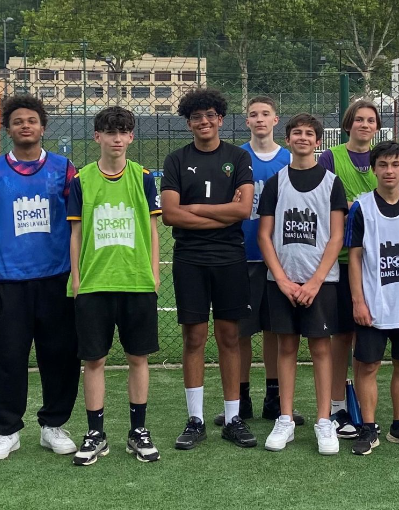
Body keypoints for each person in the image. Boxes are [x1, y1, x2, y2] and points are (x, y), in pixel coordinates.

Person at [0, 95, 80, 460]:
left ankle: (53, 425)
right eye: (18, 121)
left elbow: (78, 223)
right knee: (8, 357)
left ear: (43, 127)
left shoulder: (64, 168)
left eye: (32, 120)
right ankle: (8, 430)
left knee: (60, 355)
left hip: (57, 277)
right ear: (8, 129)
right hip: (7, 279)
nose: (25, 126)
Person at [161, 89, 257, 449]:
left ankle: (233, 418)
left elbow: (243, 210)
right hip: (190, 258)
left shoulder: (238, 157)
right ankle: (196, 420)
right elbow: (170, 214)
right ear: (189, 123)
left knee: (229, 336)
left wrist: (196, 209)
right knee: (194, 338)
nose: (204, 122)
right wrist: (221, 213)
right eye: (197, 117)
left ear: (221, 119)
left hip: (230, 257)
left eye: (210, 115)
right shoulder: (176, 160)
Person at [68, 107, 162, 466]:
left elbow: (153, 230)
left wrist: (153, 274)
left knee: (138, 358)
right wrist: (77, 280)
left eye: (123, 132)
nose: (117, 139)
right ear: (98, 137)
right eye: (110, 132)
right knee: (94, 360)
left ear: (131, 137)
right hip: (94, 284)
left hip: (136, 282)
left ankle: (138, 431)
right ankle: (96, 434)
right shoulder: (81, 180)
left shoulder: (144, 177)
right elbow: (76, 234)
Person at [257, 113, 348, 454]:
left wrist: (315, 281)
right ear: (288, 139)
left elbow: (336, 236)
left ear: (318, 141)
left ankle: (324, 421)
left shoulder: (332, 183)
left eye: (310, 133)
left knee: (321, 348)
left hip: (320, 282)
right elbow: (265, 236)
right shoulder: (276, 183)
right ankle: (285, 419)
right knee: (286, 347)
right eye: (297, 133)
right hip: (282, 281)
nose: (303, 138)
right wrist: (281, 279)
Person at [211, 96, 299, 426]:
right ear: (246, 121)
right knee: (241, 331)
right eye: (253, 114)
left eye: (265, 114)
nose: (259, 119)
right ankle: (242, 399)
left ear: (276, 120)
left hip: (280, 259)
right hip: (242, 254)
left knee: (276, 329)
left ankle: (274, 399)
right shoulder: (236, 158)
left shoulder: (289, 159)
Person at [347, 141, 399, 455]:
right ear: (373, 169)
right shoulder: (361, 207)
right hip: (374, 303)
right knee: (368, 366)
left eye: (395, 164)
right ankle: (368, 429)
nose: (389, 171)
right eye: (382, 164)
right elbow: (355, 258)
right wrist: (358, 300)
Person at [318, 99, 380, 439]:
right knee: (341, 336)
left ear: (377, 127)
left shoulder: (383, 159)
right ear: (348, 124)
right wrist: (356, 207)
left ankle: (361, 407)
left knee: (367, 337)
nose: (365, 125)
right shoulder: (331, 158)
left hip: (376, 264)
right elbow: (325, 203)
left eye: (370, 120)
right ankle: (338, 405)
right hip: (341, 260)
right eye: (359, 119)